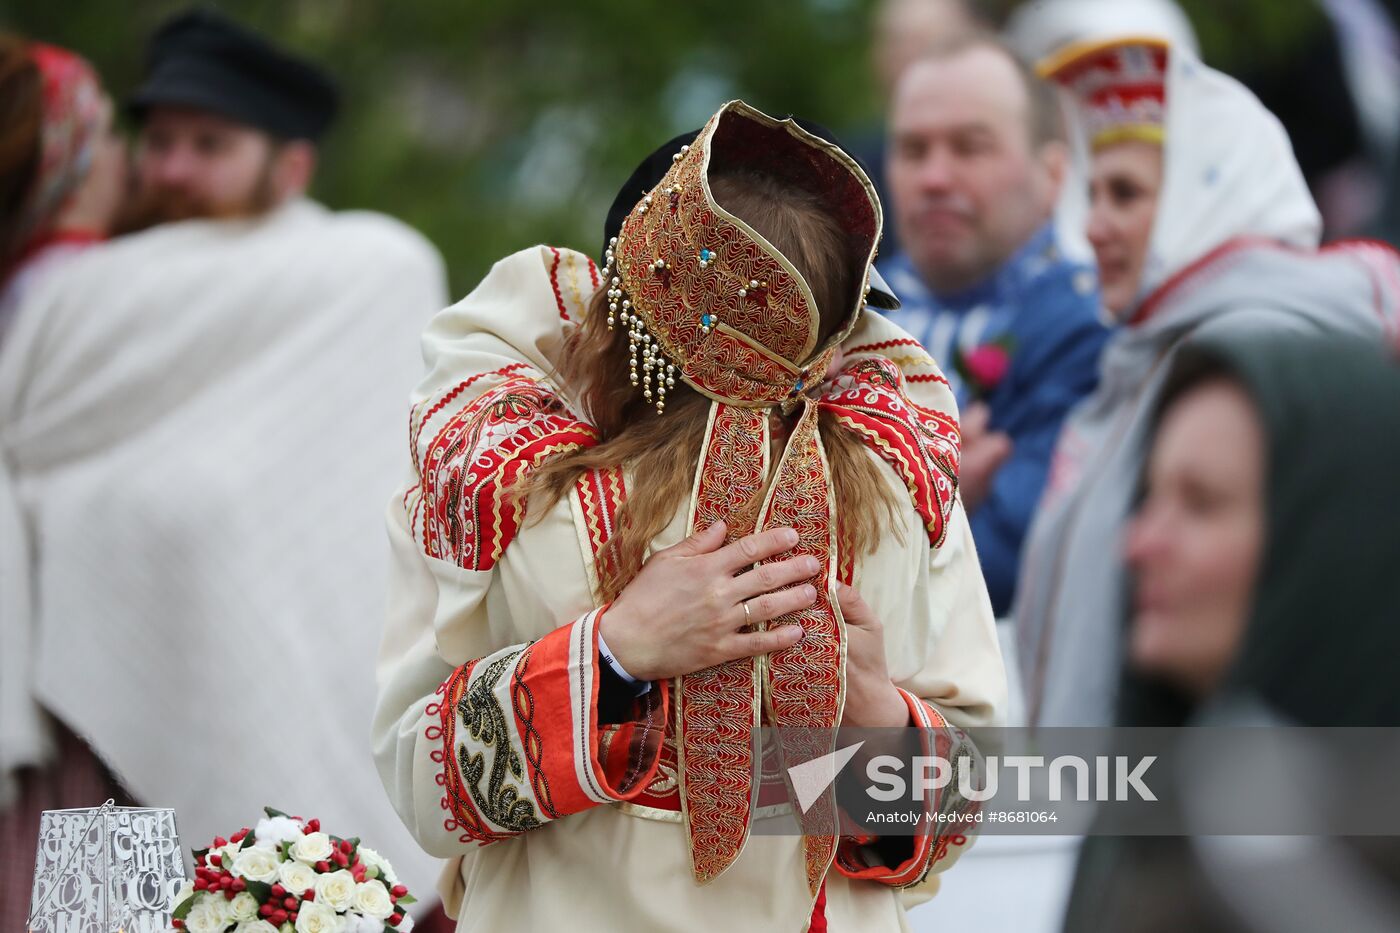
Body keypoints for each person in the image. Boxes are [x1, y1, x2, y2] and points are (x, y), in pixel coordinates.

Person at [373, 100, 1006, 931]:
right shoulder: (505, 480)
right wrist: (616, 652)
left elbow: (420, 779)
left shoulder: (894, 489)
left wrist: (872, 714)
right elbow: (421, 777)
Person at [0, 6, 448, 911]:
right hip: (90, 701)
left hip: (272, 680)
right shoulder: (72, 292)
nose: (172, 168)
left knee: (294, 907)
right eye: (158, 140)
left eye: (210, 144)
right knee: (97, 925)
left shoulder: (364, 270)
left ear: (289, 167)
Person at [1016, 36, 1400, 728]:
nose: (1093, 226)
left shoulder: (1255, 360)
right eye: (1092, 193)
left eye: (1127, 194)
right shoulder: (1147, 359)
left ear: (1209, 193)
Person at [1060, 331, 1400, 932]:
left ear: (1331, 540)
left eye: (1202, 503)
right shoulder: (1150, 832)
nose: (1139, 545)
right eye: (1149, 499)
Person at [880, 34, 1112, 615]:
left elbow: (1011, 569)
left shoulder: (1087, 332)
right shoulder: (836, 311)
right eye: (913, 150)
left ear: (1053, 174)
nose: (934, 177)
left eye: (970, 147)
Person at [0, 36, 124, 343]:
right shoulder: (85, 284)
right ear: (72, 163)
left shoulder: (20, 282)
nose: (123, 150)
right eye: (108, 132)